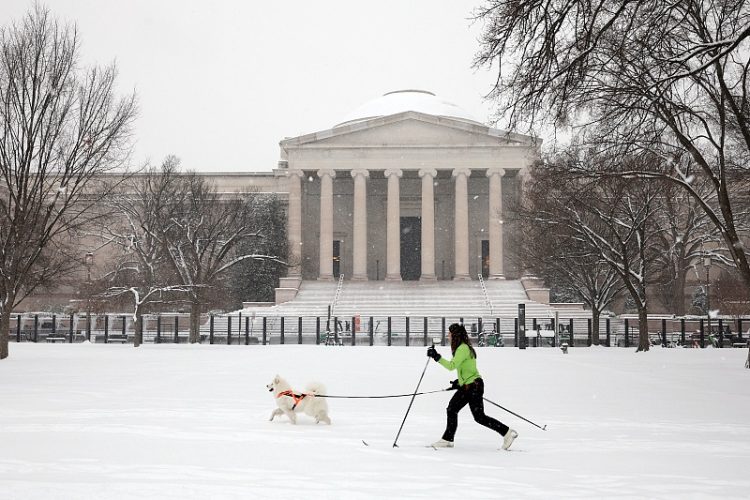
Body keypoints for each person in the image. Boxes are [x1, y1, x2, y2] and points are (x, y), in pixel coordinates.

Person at [426, 323, 518, 450]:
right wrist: (459, 382)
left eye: (449, 333)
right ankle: (448, 439)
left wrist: (437, 357)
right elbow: (468, 369)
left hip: (473, 386)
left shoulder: (462, 349)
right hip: (471, 385)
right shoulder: (462, 348)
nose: (448, 335)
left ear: (455, 335)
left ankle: (507, 432)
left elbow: (451, 366)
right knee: (460, 411)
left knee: (472, 415)